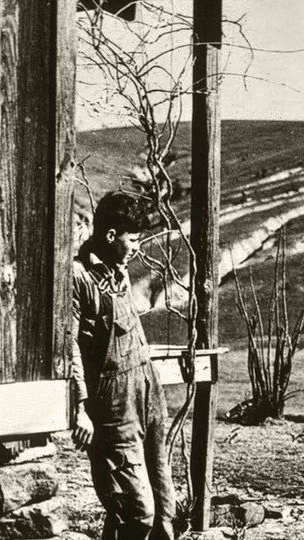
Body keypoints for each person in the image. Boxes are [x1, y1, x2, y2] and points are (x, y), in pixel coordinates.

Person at [68, 191, 175, 539]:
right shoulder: (79, 277)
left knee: (164, 507)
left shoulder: (119, 271)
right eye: (132, 240)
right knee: (136, 510)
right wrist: (80, 407)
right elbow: (69, 346)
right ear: (111, 236)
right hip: (114, 407)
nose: (136, 248)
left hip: (147, 394)